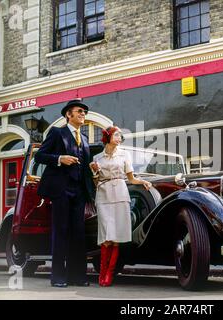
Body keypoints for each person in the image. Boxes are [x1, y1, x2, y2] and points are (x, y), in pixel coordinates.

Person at [35, 99, 94, 288]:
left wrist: (92, 166)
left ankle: (77, 276)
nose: (83, 114)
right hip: (61, 190)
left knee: (78, 234)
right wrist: (60, 158)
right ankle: (58, 277)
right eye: (79, 111)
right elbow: (40, 156)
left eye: (84, 112)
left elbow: (85, 166)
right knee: (60, 232)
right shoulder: (57, 133)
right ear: (68, 114)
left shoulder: (84, 139)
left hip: (79, 191)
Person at [90, 126, 152, 287]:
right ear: (108, 137)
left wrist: (143, 181)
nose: (119, 138)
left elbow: (131, 179)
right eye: (116, 135)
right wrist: (95, 172)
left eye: (120, 136)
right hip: (103, 195)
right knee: (106, 237)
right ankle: (102, 272)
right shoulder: (97, 158)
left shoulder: (125, 155)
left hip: (120, 195)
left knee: (116, 237)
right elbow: (96, 182)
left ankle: (109, 274)